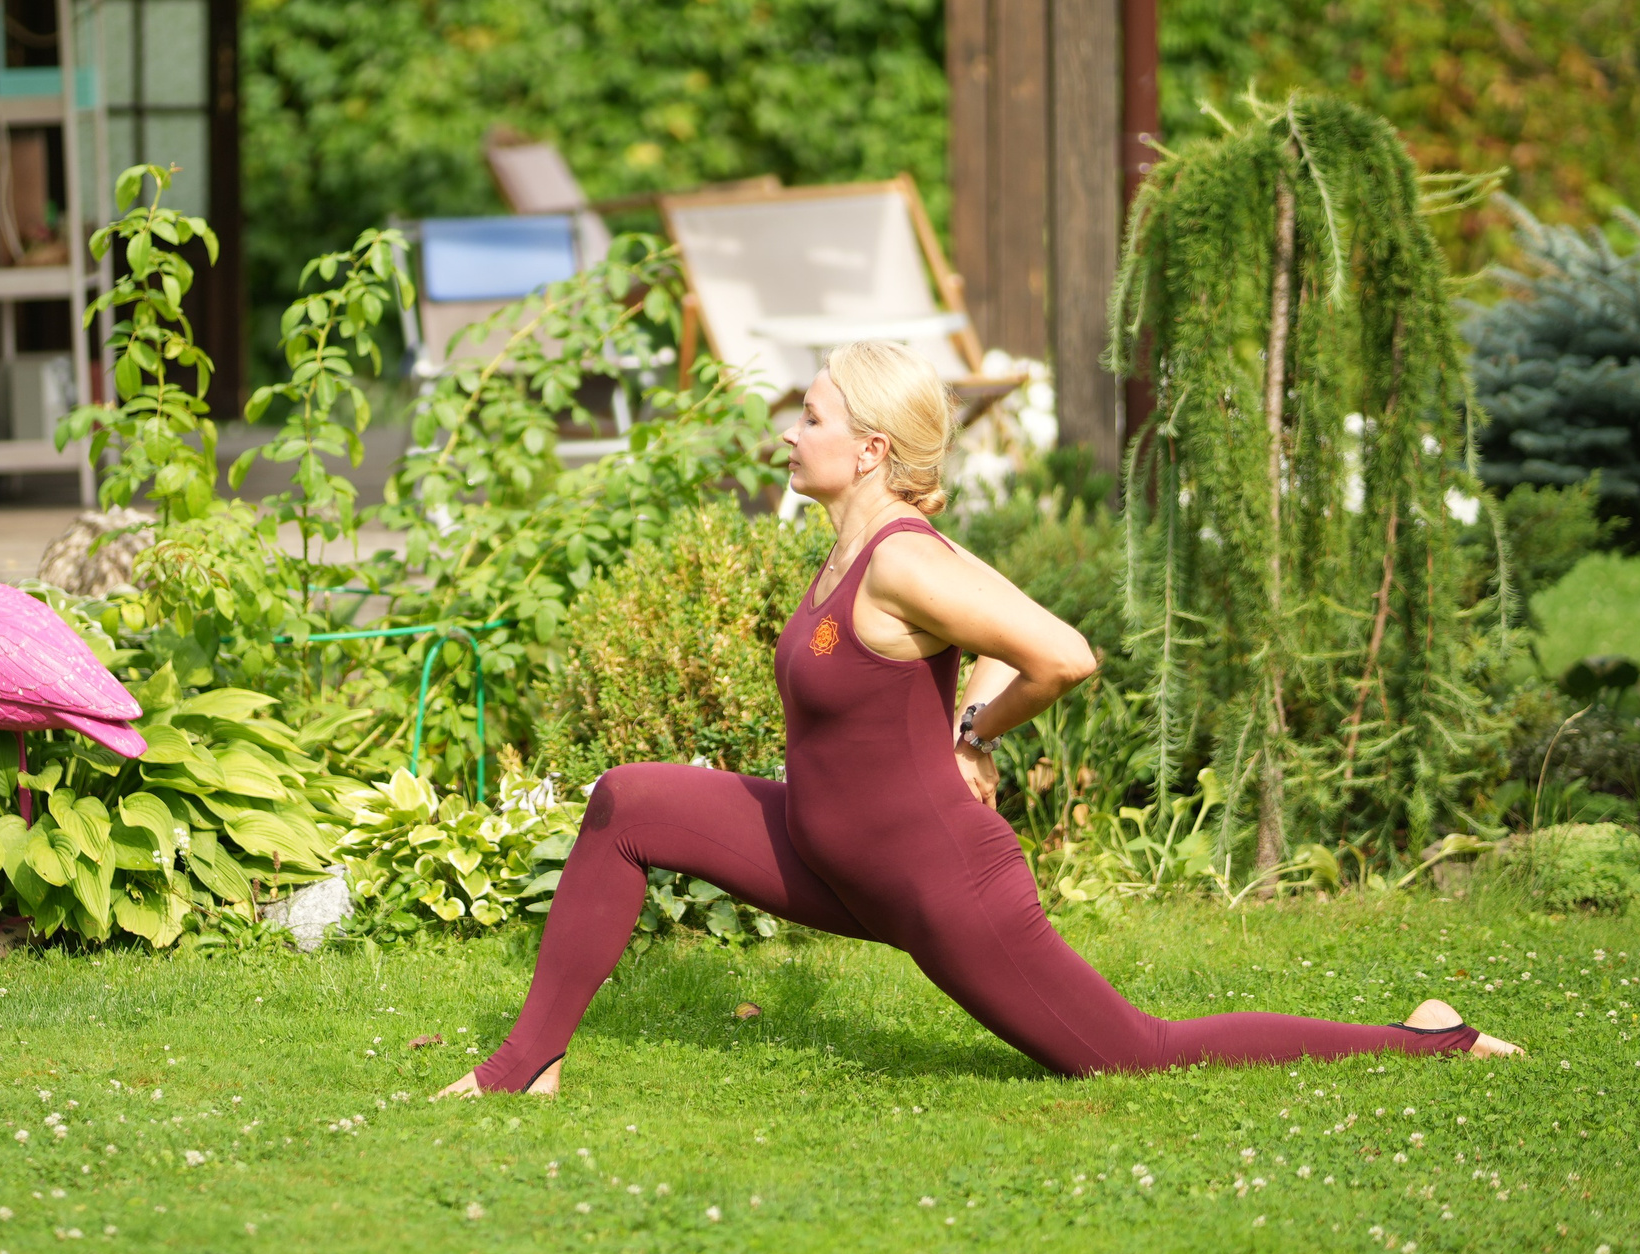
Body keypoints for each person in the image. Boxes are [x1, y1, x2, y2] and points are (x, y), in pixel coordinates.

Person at [441, 340, 1519, 1097]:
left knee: (1133, 1054)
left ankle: (1428, 1039)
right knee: (629, 800)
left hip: (934, 883)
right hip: (829, 854)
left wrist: (974, 735)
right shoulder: (856, 544)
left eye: (809, 417)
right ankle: (524, 1064)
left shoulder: (903, 558)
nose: (790, 433)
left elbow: (1063, 654)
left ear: (866, 447)